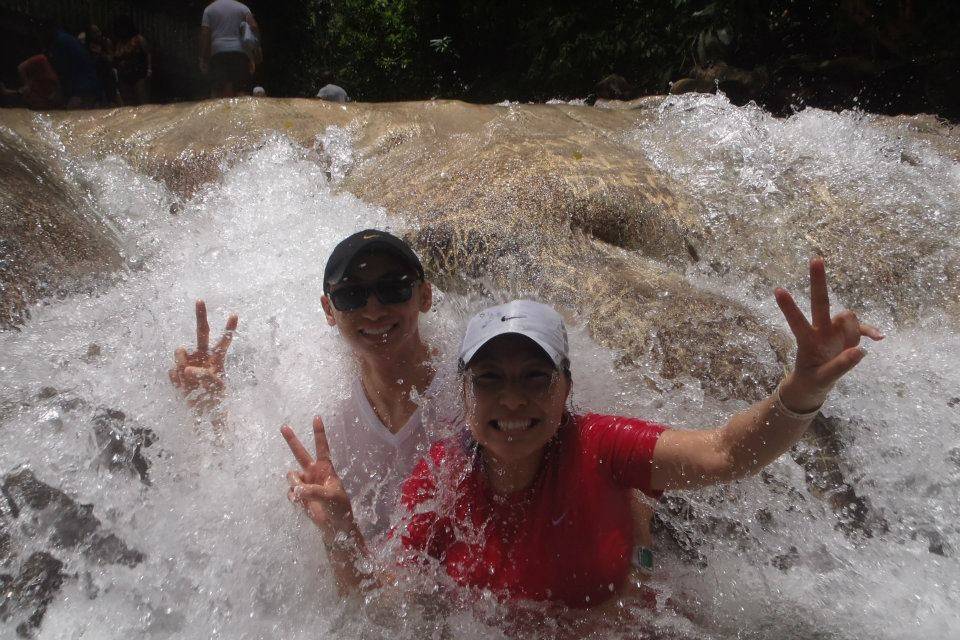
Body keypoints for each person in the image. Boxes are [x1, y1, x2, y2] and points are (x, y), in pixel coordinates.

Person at [283, 258, 884, 608]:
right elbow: (385, 607)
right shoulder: (443, 475)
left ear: (567, 389)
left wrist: (803, 388)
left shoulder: (604, 446)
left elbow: (727, 452)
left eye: (536, 378)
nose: (513, 399)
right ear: (463, 395)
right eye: (490, 379)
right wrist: (340, 528)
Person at [199, 0, 259, 98]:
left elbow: (205, 34)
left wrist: (203, 58)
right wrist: (254, 53)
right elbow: (253, 26)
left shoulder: (209, 10)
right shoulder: (243, 8)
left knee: (217, 91)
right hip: (240, 53)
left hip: (218, 53)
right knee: (241, 91)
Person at [113, 16, 151, 106]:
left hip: (139, 74)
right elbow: (116, 57)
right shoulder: (120, 43)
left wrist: (149, 68)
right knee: (128, 104)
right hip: (125, 75)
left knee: (142, 103)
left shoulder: (139, 39)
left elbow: (148, 54)